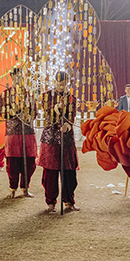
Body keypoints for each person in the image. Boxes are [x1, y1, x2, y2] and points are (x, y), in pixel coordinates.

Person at [38, 71, 79, 212]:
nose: (62, 86)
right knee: (50, 172)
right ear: (55, 81)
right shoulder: (46, 96)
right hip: (51, 138)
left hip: (66, 138)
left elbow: (72, 115)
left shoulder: (72, 98)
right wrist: (55, 109)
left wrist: (67, 125)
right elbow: (46, 111)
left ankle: (69, 201)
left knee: (69, 171)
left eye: (64, 83)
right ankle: (51, 202)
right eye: (60, 83)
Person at [0, 68, 37, 198]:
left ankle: (25, 188)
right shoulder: (5, 95)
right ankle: (13, 189)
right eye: (16, 77)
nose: (18, 80)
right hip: (12, 133)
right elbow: (2, 113)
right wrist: (15, 110)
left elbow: (35, 113)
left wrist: (26, 113)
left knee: (29, 162)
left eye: (21, 77)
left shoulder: (29, 95)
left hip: (27, 132)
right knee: (13, 162)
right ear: (12, 78)